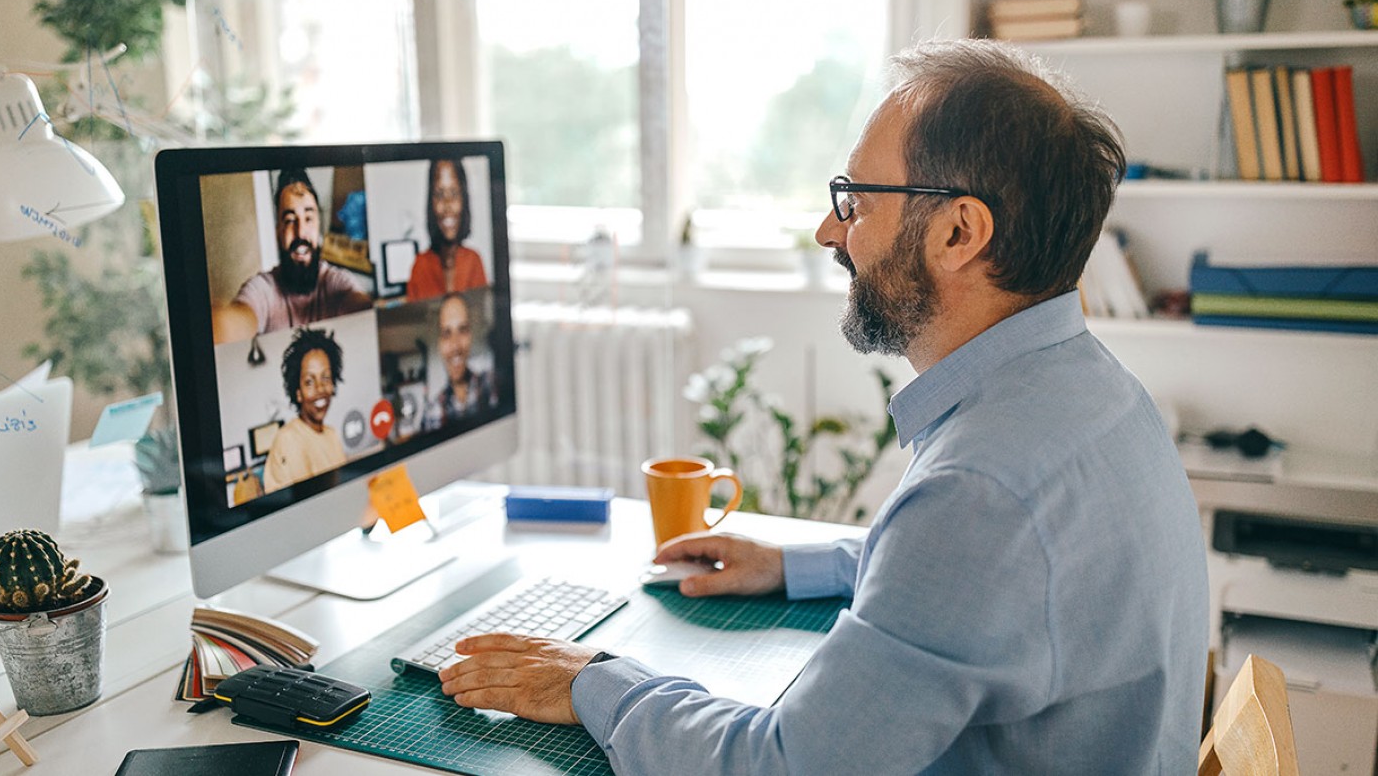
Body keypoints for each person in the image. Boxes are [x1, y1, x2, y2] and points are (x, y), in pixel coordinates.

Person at [436, 39, 1209, 774]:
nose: (828, 231)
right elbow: (984, 591)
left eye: (856, 201)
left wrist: (593, 681)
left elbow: (781, 764)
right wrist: (795, 565)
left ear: (958, 230)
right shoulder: (1094, 394)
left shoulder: (982, 491)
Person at [213, 169, 373, 343]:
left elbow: (361, 309)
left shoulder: (337, 281)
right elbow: (235, 322)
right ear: (278, 232)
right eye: (290, 220)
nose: (300, 232)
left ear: (319, 226)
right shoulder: (262, 290)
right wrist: (219, 323)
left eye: (309, 218)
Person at [262, 327, 348, 493]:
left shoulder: (332, 434)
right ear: (298, 393)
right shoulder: (289, 439)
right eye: (309, 381)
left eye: (326, 378)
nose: (320, 388)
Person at [406, 158, 489, 301]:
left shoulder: (473, 261)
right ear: (431, 203)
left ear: (464, 200)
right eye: (439, 194)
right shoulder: (420, 265)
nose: (448, 205)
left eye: (454, 193)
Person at [423, 293, 497, 429]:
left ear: (471, 334)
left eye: (462, 330)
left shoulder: (493, 386)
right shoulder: (432, 411)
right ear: (439, 343)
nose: (455, 346)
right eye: (446, 334)